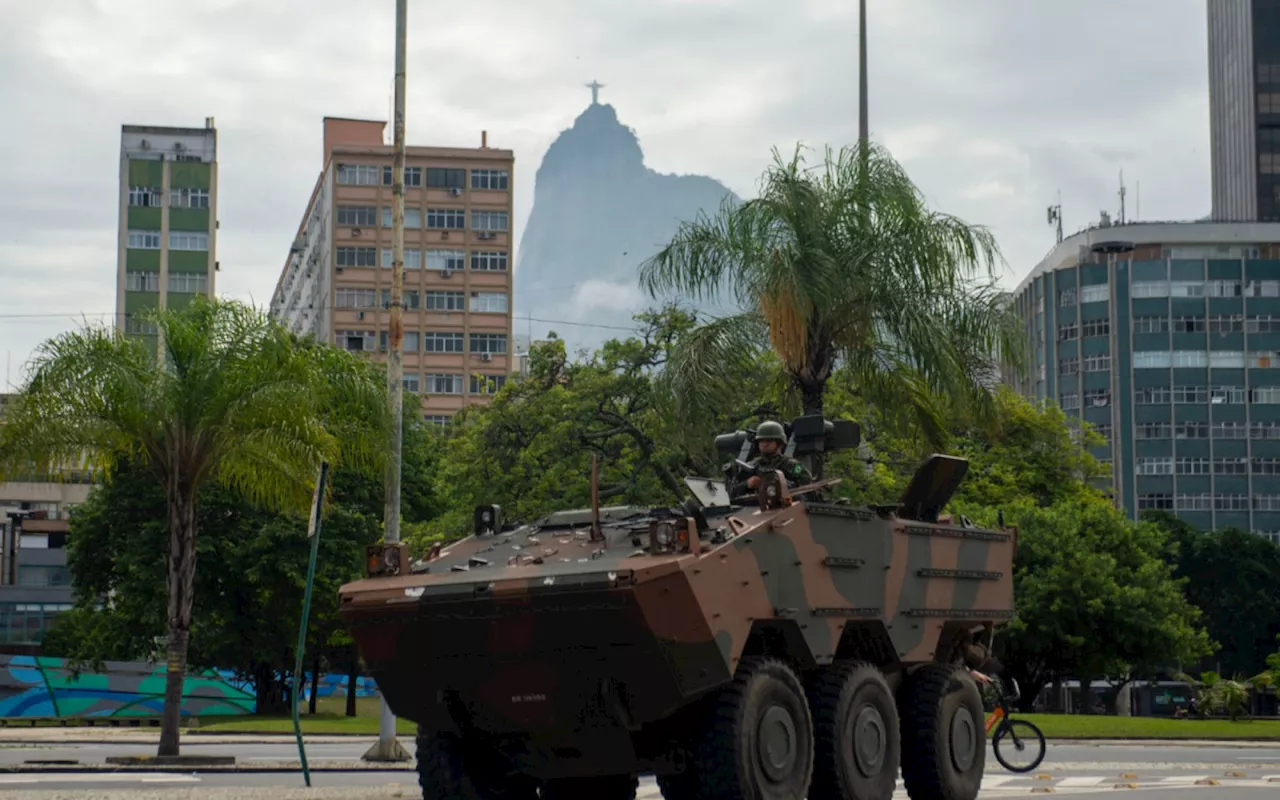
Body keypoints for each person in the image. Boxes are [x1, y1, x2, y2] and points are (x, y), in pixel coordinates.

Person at [734, 421, 814, 495]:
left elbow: (807, 488)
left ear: (779, 443)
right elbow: (733, 493)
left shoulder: (791, 465)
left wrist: (779, 484)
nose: (764, 444)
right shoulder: (752, 466)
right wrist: (747, 484)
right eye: (761, 441)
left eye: (769, 441)